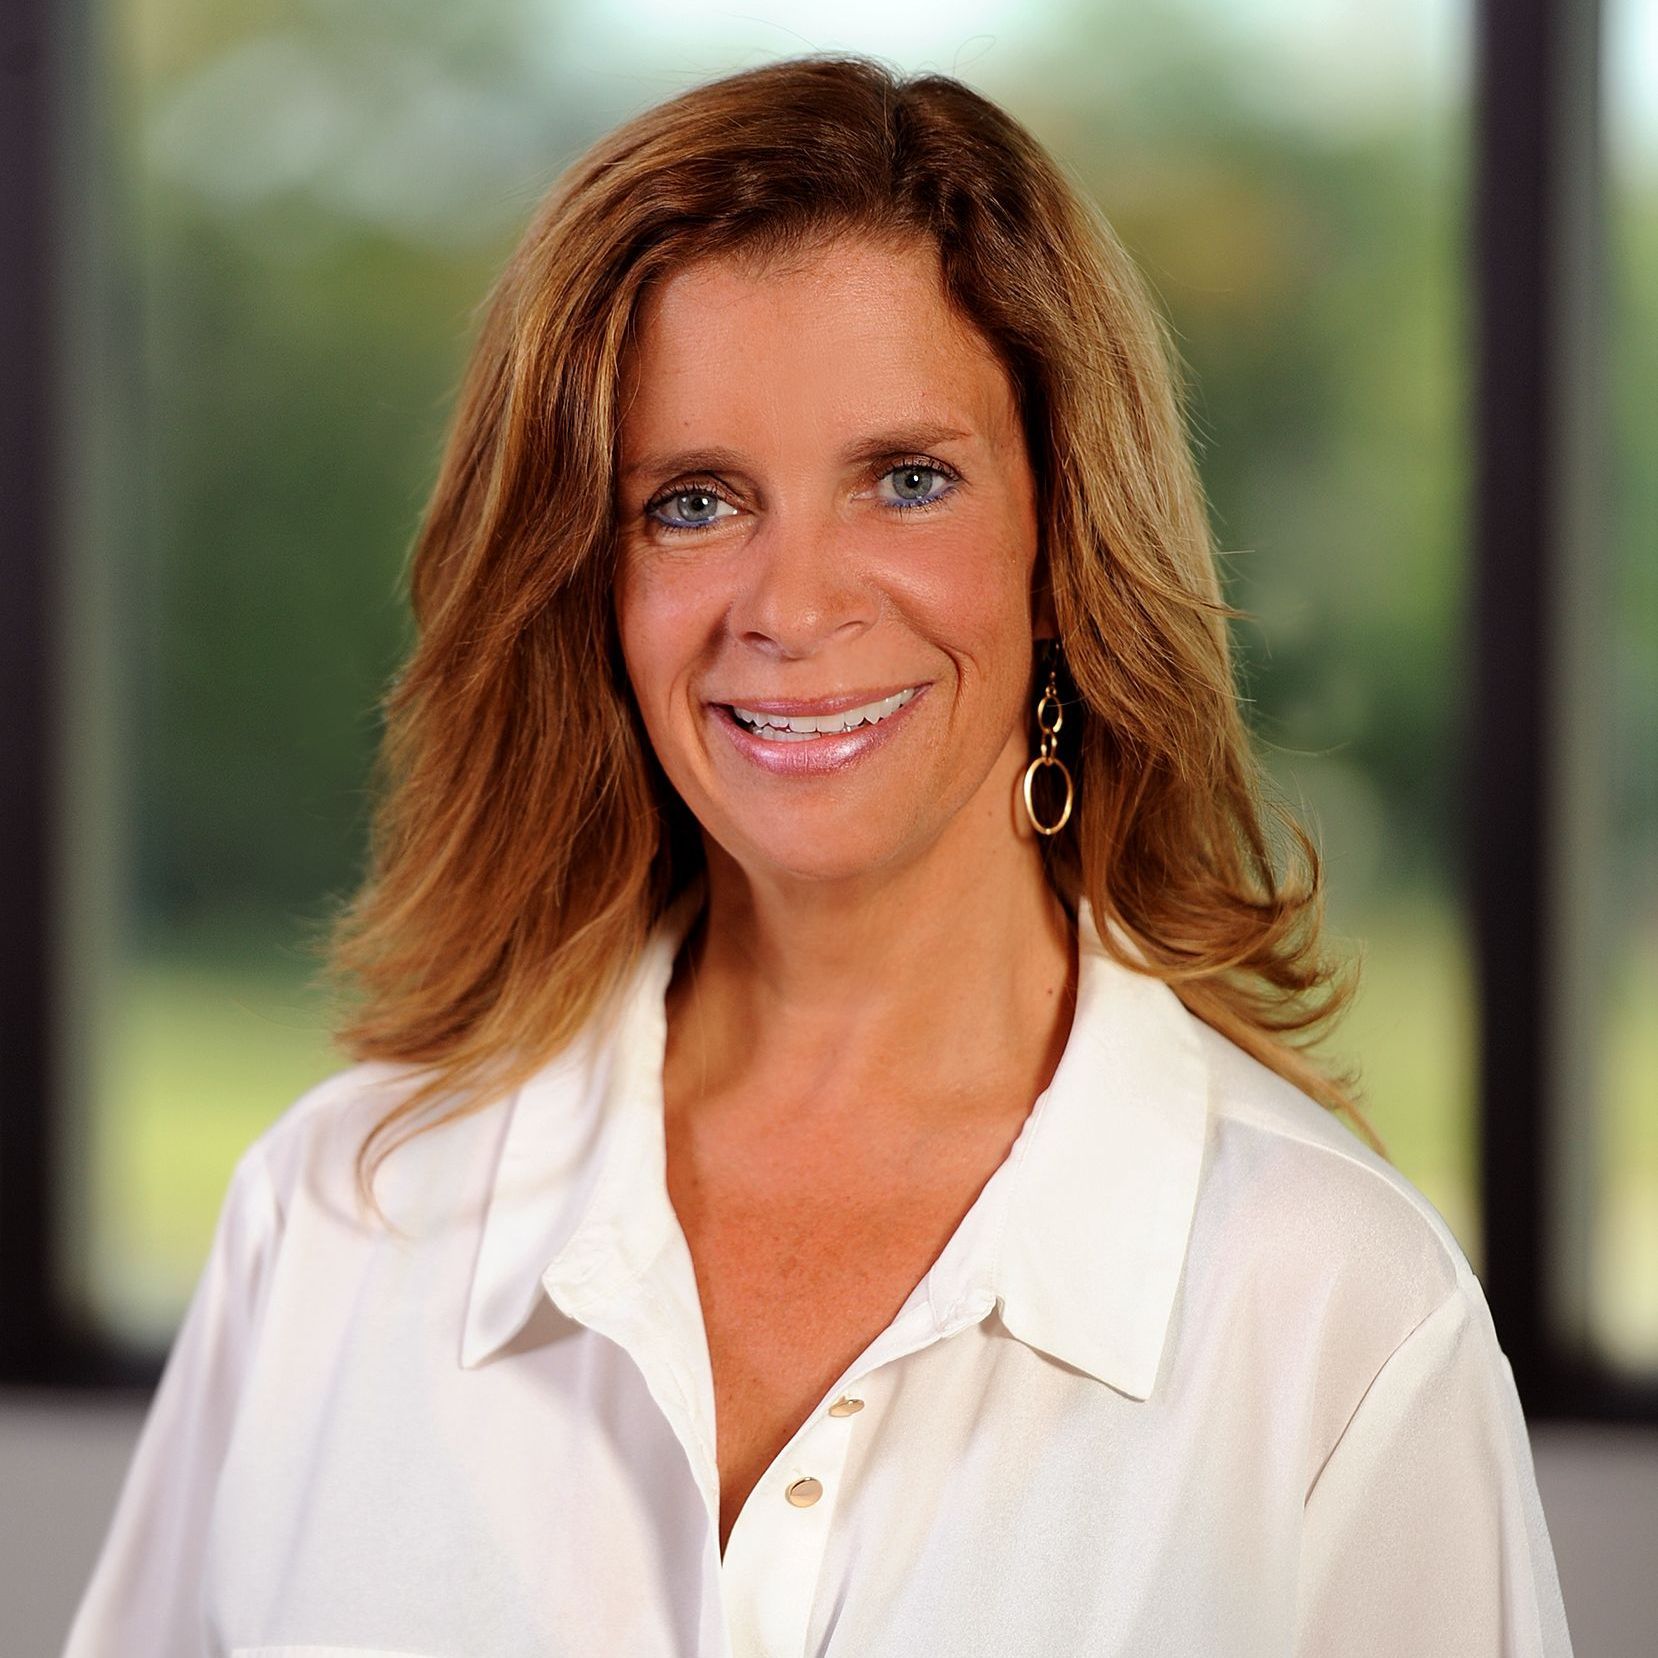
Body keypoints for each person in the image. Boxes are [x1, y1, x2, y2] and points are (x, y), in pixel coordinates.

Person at [63, 52, 1574, 1658]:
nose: (789, 608)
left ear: (1064, 540)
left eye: (905, 480)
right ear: (586, 574)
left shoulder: (1333, 1309)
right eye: (692, 502)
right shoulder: (333, 1215)